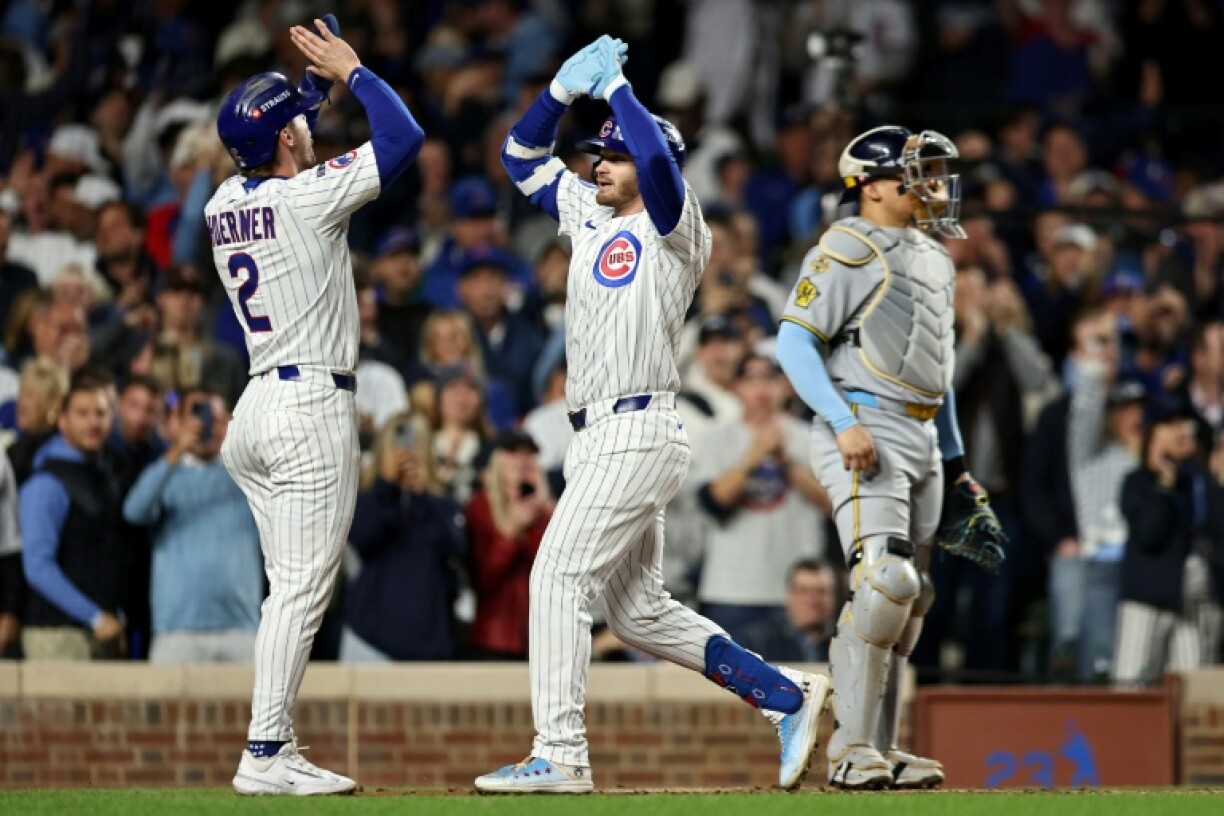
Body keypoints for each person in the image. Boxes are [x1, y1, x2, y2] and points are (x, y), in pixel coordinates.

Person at [478, 35, 829, 795]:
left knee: (557, 578)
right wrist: (563, 94)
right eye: (595, 154)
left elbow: (662, 169)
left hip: (637, 425)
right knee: (636, 614)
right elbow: (518, 157)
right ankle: (785, 694)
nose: (598, 164)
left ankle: (561, 754)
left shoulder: (676, 225)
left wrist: (623, 94)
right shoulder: (591, 213)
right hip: (596, 433)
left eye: (613, 154)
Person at [208, 16, 424, 796]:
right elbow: (405, 138)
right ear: (288, 144)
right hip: (308, 410)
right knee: (301, 591)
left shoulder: (223, 200)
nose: (308, 132)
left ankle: (276, 743)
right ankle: (265, 753)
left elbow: (281, 148)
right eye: (299, 128)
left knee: (287, 590)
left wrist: (306, 97)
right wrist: (356, 73)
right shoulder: (309, 204)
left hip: (255, 412)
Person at [775, 125, 1006, 789]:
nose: (933, 184)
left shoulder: (935, 256)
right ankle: (849, 750)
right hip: (864, 425)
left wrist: (959, 467)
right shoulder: (846, 246)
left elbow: (940, 375)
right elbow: (794, 343)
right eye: (917, 172)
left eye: (934, 171)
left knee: (914, 597)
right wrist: (841, 419)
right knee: (884, 584)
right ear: (871, 186)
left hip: (924, 433)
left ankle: (883, 746)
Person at [122, 388, 262, 663]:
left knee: (252, 708)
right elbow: (134, 511)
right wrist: (176, 451)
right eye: (197, 415)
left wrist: (241, 442)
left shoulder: (247, 476)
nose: (206, 425)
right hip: (177, 628)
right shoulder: (165, 474)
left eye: (216, 417)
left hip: (241, 626)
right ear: (177, 422)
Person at [341, 412, 465, 662]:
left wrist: (422, 496)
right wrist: (386, 485)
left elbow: (456, 549)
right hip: (369, 641)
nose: (407, 453)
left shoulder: (443, 506)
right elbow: (362, 538)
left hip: (428, 650)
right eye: (397, 444)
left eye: (416, 444)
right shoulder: (368, 498)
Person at [19, 370, 125, 660]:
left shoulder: (105, 476)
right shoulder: (46, 482)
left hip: (100, 632)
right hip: (56, 635)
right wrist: (95, 616)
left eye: (101, 413)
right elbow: (37, 566)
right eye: (82, 413)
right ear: (62, 420)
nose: (93, 422)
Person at [739, 559, 839, 664]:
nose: (813, 600)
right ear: (789, 595)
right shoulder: (757, 642)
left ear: (834, 597)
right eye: (803, 591)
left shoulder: (850, 641)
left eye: (821, 591)